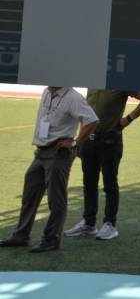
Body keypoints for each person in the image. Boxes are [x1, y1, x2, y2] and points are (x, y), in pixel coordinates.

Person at [0, 86, 98, 252]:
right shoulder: (47, 92)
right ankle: (21, 235)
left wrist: (75, 142)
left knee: (56, 199)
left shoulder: (73, 97)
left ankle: (52, 239)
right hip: (41, 151)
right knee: (30, 194)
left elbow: (92, 120)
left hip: (58, 153)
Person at [64, 89, 140, 241]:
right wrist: (81, 140)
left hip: (110, 139)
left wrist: (128, 119)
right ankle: (89, 223)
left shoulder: (120, 80)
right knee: (89, 183)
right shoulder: (94, 82)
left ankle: (110, 224)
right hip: (89, 139)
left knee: (110, 183)